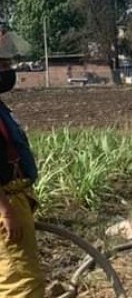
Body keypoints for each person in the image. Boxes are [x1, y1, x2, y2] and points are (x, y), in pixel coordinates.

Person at [0, 48, 45, 296]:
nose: (8, 71)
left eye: (8, 63)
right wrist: (6, 211)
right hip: (6, 204)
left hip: (15, 199)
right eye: (2, 64)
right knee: (22, 285)